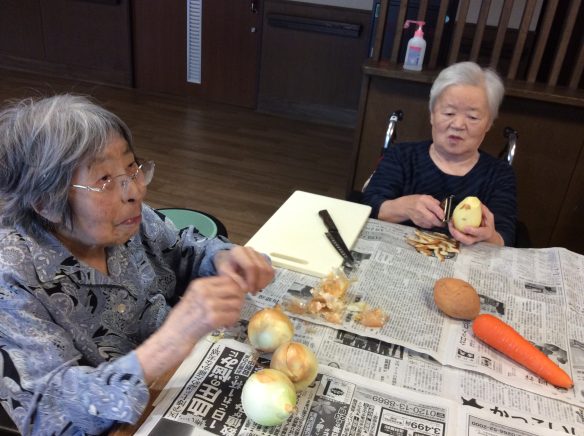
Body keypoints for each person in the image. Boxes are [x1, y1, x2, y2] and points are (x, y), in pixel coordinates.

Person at [0, 94, 275, 434]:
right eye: (104, 179)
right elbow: (49, 412)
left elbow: (183, 250)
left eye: (131, 168)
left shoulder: (128, 219)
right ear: (46, 203)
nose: (135, 192)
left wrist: (224, 256)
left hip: (177, 380)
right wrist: (170, 342)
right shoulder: (11, 279)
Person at [362, 61, 517, 246]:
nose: (458, 125)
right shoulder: (401, 156)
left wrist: (489, 235)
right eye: (449, 113)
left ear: (488, 124)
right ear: (432, 114)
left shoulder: (500, 174)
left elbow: (505, 236)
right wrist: (404, 207)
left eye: (473, 117)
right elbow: (369, 205)